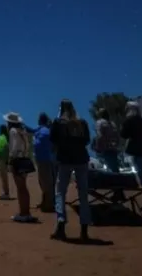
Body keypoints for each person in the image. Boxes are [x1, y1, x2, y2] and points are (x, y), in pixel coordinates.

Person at [50, 99, 92, 242]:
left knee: (60, 192)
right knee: (83, 194)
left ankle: (61, 223)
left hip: (65, 159)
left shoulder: (58, 122)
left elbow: (53, 139)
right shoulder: (82, 123)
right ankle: (84, 229)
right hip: (81, 159)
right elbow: (87, 140)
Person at [4, 112, 38, 223]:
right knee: (24, 187)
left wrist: (10, 161)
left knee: (20, 188)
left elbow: (13, 148)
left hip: (17, 160)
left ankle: (23, 213)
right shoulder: (23, 131)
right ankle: (26, 212)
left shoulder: (12, 131)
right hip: (25, 159)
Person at [93, 108, 124, 203]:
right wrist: (116, 145)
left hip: (105, 149)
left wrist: (97, 147)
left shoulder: (100, 123)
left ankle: (117, 192)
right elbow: (117, 136)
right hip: (113, 149)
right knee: (115, 170)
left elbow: (100, 136)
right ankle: (119, 192)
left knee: (110, 171)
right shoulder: (112, 124)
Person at [31, 113, 56, 212]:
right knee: (43, 182)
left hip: (45, 160)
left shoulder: (45, 131)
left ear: (40, 120)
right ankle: (44, 202)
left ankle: (49, 205)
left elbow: (48, 144)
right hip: (42, 160)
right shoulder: (41, 129)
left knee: (47, 183)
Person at [0, 124, 13, 200]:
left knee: (3, 177)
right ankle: (6, 192)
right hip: (6, 159)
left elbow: (1, 148)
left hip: (2, 159)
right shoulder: (7, 138)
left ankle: (6, 193)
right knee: (4, 177)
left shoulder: (1, 138)